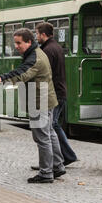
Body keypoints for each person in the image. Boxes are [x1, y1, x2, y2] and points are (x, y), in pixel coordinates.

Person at [0, 28, 66, 184]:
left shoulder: (34, 58)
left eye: (19, 43)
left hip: (39, 100)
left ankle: (46, 173)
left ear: (29, 42)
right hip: (47, 99)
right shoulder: (36, 53)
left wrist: (2, 78)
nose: (16, 46)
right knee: (50, 132)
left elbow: (22, 73)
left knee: (42, 137)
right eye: (15, 43)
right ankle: (57, 165)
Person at [35, 22, 78, 168]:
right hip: (59, 91)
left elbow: (45, 73)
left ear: (43, 34)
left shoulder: (47, 50)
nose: (36, 37)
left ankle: (64, 157)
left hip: (54, 92)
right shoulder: (57, 47)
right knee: (53, 125)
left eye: (37, 34)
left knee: (50, 126)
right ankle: (58, 158)